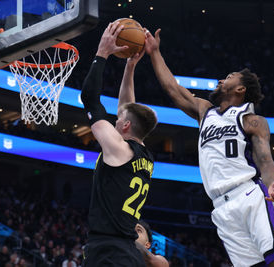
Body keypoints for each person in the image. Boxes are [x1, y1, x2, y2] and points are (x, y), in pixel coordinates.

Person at [144, 29, 274, 266]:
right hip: (221, 208)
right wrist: (155, 53)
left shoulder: (251, 120)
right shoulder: (205, 111)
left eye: (229, 77)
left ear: (241, 89)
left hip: (249, 195)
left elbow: (265, 160)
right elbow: (173, 89)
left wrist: (272, 185)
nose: (221, 80)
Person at [80, 21, 158, 267]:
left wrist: (102, 53)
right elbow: (128, 108)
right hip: (125, 252)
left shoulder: (119, 149)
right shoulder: (143, 155)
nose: (115, 121)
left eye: (118, 120)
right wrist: (130, 67)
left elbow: (90, 99)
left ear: (125, 127)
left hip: (109, 252)